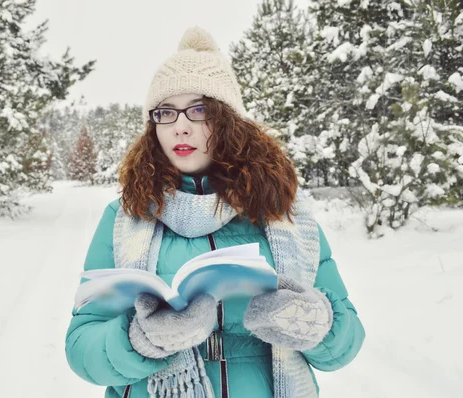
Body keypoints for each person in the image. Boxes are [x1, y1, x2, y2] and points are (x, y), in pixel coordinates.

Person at [65, 26, 365, 398]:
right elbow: (81, 346)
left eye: (199, 109)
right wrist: (138, 339)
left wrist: (317, 324)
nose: (181, 127)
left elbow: (346, 342)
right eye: (165, 113)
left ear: (229, 121)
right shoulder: (126, 215)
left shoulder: (282, 211)